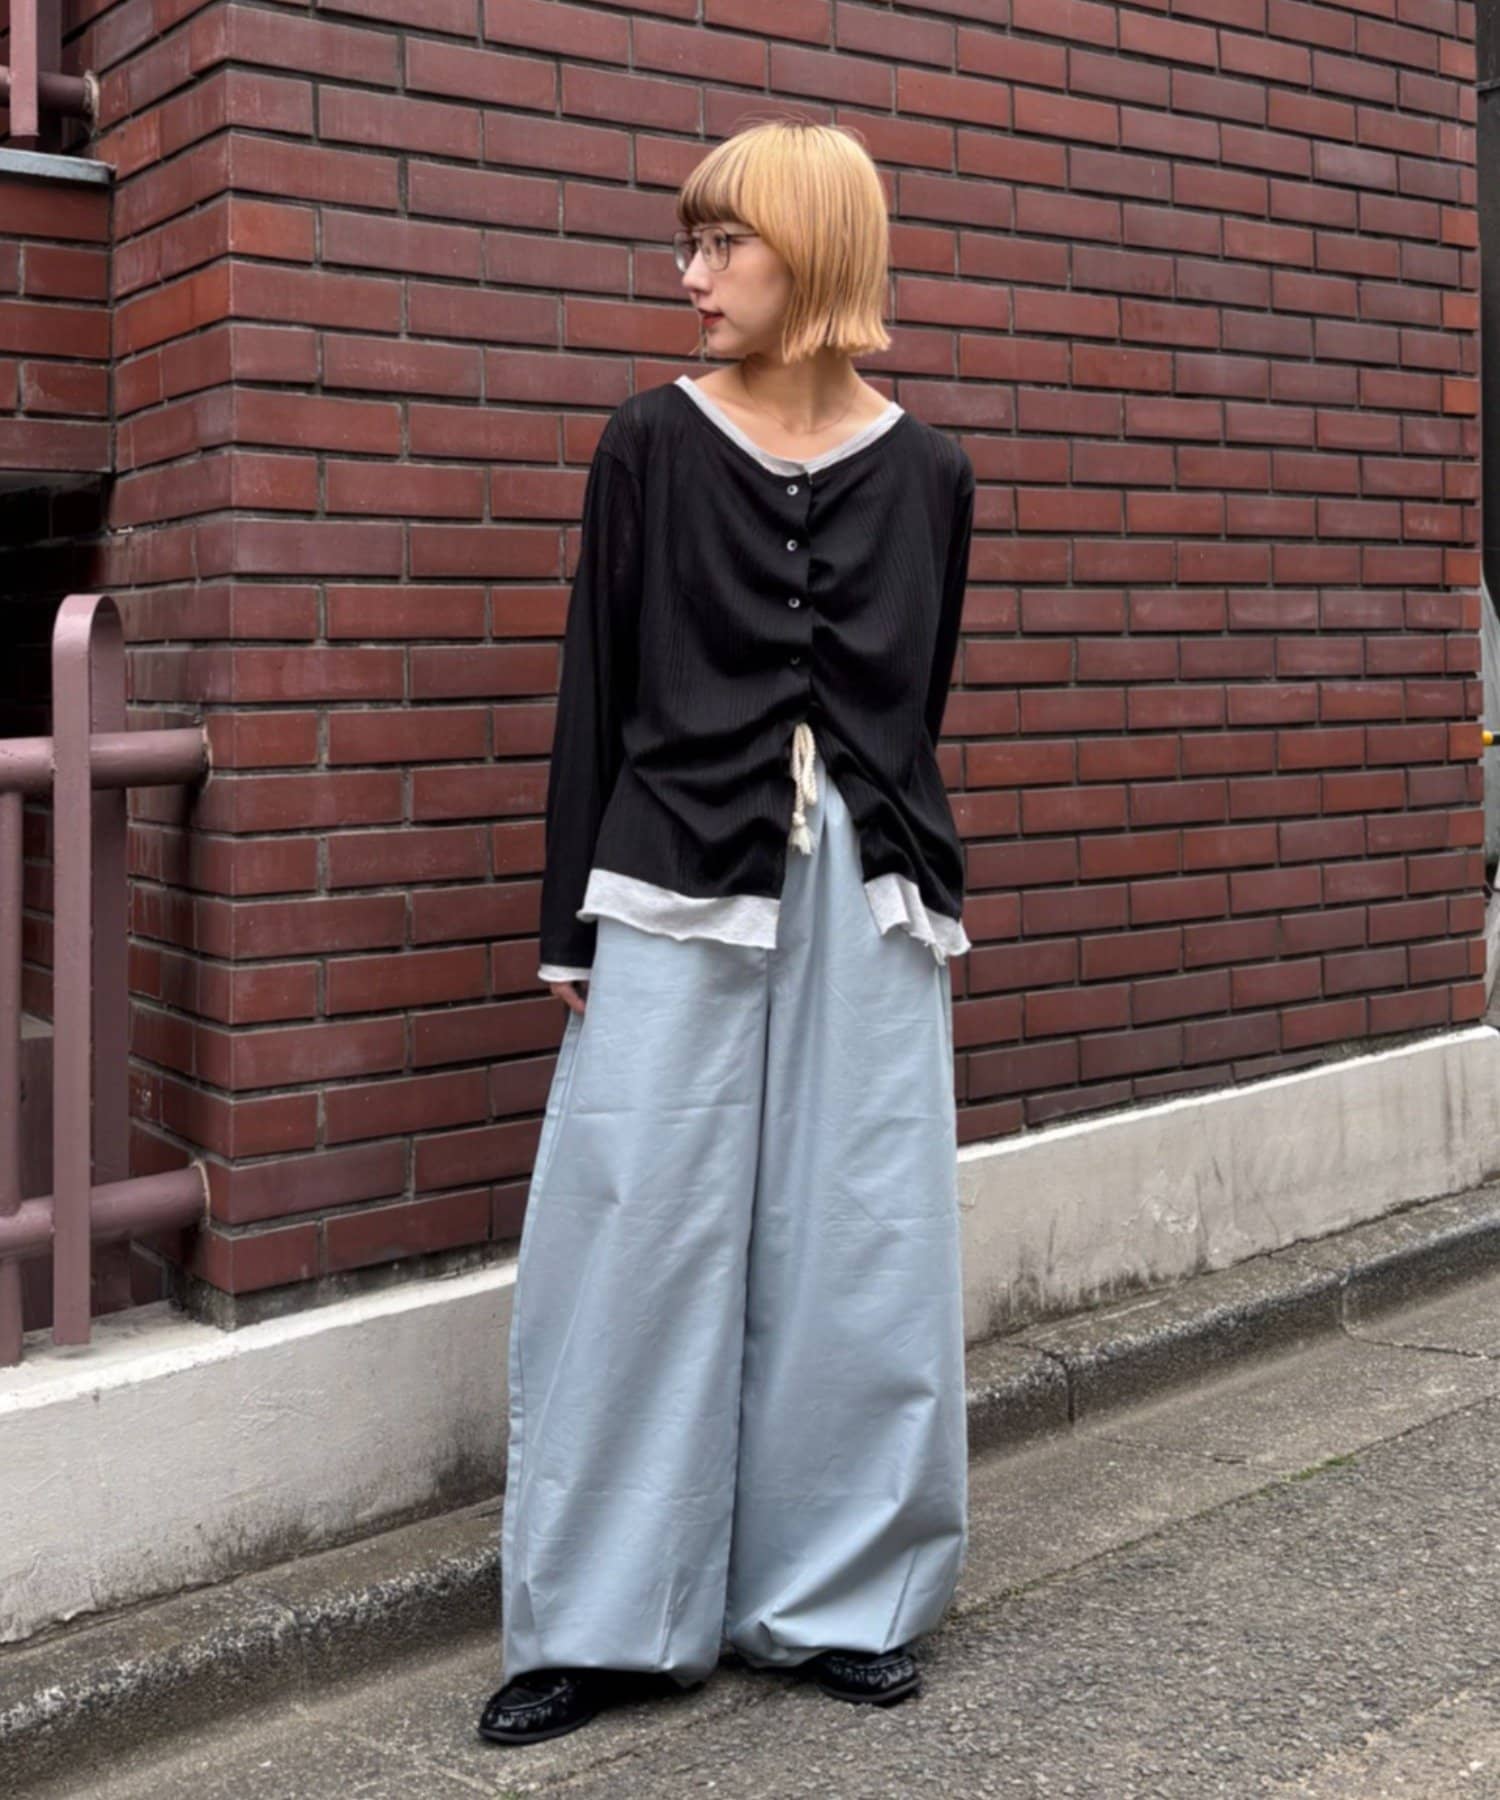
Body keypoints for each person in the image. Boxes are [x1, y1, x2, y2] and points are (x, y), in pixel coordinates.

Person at [477, 116, 977, 1748]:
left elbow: (915, 708)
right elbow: (597, 690)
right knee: (636, 1226)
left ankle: (843, 1596)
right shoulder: (647, 444)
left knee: (862, 1233)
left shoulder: (933, 475)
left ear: (811, 252)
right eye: (688, 242)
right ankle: (603, 1621)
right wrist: (569, 923)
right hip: (674, 874)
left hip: (871, 888)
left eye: (721, 243)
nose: (688, 274)